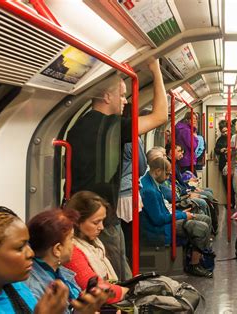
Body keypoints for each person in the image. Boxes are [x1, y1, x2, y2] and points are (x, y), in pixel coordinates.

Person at [67, 60, 167, 280]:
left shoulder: (75, 128)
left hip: (81, 213)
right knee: (120, 277)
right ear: (106, 96)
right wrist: (155, 68)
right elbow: (160, 116)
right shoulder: (112, 127)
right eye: (122, 95)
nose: (125, 101)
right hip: (103, 219)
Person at [0, 206, 103, 313]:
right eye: (20, 248)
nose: (31, 253)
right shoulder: (28, 286)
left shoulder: (17, 287)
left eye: (28, 244)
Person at [139, 157, 213, 278]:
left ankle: (199, 255)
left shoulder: (153, 182)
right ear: (157, 171)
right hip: (159, 229)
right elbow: (158, 219)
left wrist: (180, 213)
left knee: (206, 219)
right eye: (167, 173)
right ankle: (194, 265)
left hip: (165, 219)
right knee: (202, 227)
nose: (168, 177)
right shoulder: (149, 190)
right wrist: (182, 215)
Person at [26, 208, 110, 313]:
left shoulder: (61, 274)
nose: (73, 245)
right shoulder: (35, 290)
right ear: (57, 249)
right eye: (71, 239)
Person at [63, 192, 130, 304]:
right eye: (96, 222)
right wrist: (128, 290)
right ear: (77, 222)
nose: (101, 227)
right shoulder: (72, 251)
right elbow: (97, 289)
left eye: (102, 221)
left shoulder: (94, 243)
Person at [118, 104, 149, 262]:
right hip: (129, 193)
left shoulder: (112, 133)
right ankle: (130, 272)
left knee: (120, 239)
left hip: (115, 192)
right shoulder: (133, 137)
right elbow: (142, 167)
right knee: (131, 239)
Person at [214, 120, 235, 207]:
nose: (225, 133)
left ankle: (235, 203)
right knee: (227, 185)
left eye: (226, 131)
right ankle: (230, 202)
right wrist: (221, 150)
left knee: (235, 185)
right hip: (224, 164)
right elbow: (216, 150)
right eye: (223, 132)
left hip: (234, 163)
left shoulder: (234, 137)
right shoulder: (220, 139)